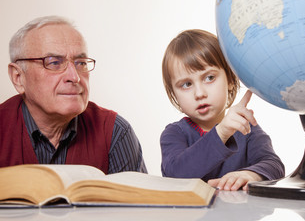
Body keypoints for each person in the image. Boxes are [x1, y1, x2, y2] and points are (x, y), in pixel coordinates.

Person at [0, 16, 147, 174]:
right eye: (54, 63)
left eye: (81, 63)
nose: (75, 77)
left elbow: (136, 199)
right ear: (18, 77)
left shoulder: (115, 132)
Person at [160, 29, 284, 191]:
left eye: (209, 78)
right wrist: (221, 133)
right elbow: (176, 175)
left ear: (231, 80)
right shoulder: (174, 134)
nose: (199, 93)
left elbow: (274, 165)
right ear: (174, 94)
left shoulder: (246, 128)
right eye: (186, 84)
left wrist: (251, 174)